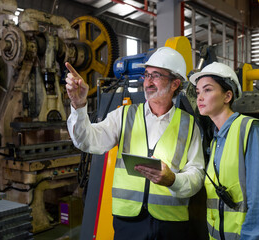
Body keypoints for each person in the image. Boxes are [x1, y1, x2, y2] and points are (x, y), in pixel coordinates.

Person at [65, 46, 205, 240]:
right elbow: (87, 141)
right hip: (128, 222)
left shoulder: (189, 125)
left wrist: (173, 180)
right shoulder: (124, 115)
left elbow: (197, 175)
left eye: (156, 75)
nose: (148, 82)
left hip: (171, 225)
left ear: (175, 84)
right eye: (146, 75)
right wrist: (78, 106)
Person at [189, 62, 259, 240]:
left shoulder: (249, 130)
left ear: (227, 96)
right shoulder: (217, 139)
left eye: (207, 90)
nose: (200, 98)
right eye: (198, 92)